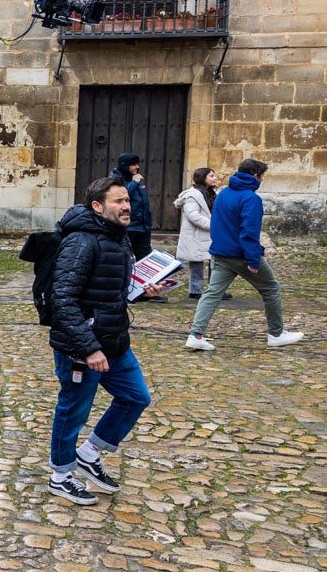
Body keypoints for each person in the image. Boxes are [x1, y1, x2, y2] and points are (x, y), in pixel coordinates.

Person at [46, 177, 165, 505]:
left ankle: (89, 453)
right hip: (82, 347)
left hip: (114, 341)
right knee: (74, 410)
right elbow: (63, 299)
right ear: (98, 207)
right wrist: (89, 347)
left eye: (127, 200)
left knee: (135, 397)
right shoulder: (82, 241)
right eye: (118, 201)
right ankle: (60, 476)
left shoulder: (118, 238)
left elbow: (113, 291)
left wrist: (143, 292)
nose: (127, 206)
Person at [185, 158, 305, 351]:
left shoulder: (223, 193)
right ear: (255, 176)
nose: (263, 180)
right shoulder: (251, 198)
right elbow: (249, 232)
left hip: (220, 253)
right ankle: (276, 334)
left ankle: (195, 335)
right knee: (271, 289)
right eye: (262, 176)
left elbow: (216, 222)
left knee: (212, 294)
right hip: (240, 254)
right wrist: (253, 259)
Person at [174, 169, 216, 299]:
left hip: (209, 234)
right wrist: (213, 225)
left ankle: (214, 289)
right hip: (197, 234)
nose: (215, 178)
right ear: (203, 178)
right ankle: (195, 290)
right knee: (197, 262)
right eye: (211, 176)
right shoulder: (192, 195)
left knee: (215, 261)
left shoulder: (211, 193)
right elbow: (193, 216)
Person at [108, 153, 154, 261]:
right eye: (134, 164)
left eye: (137, 164)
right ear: (125, 165)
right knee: (124, 258)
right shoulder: (114, 178)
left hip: (143, 227)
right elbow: (121, 196)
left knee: (146, 259)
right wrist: (134, 182)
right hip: (128, 227)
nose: (137, 167)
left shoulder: (135, 178)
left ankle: (145, 278)